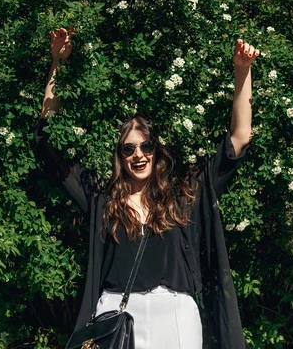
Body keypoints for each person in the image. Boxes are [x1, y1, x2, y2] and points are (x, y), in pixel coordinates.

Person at [34, 27, 259, 348]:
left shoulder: (184, 196)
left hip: (177, 318)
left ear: (156, 150)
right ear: (120, 156)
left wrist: (242, 71)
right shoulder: (103, 199)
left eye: (146, 146)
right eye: (129, 148)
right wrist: (58, 62)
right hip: (116, 317)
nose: (138, 154)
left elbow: (239, 139)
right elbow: (49, 144)